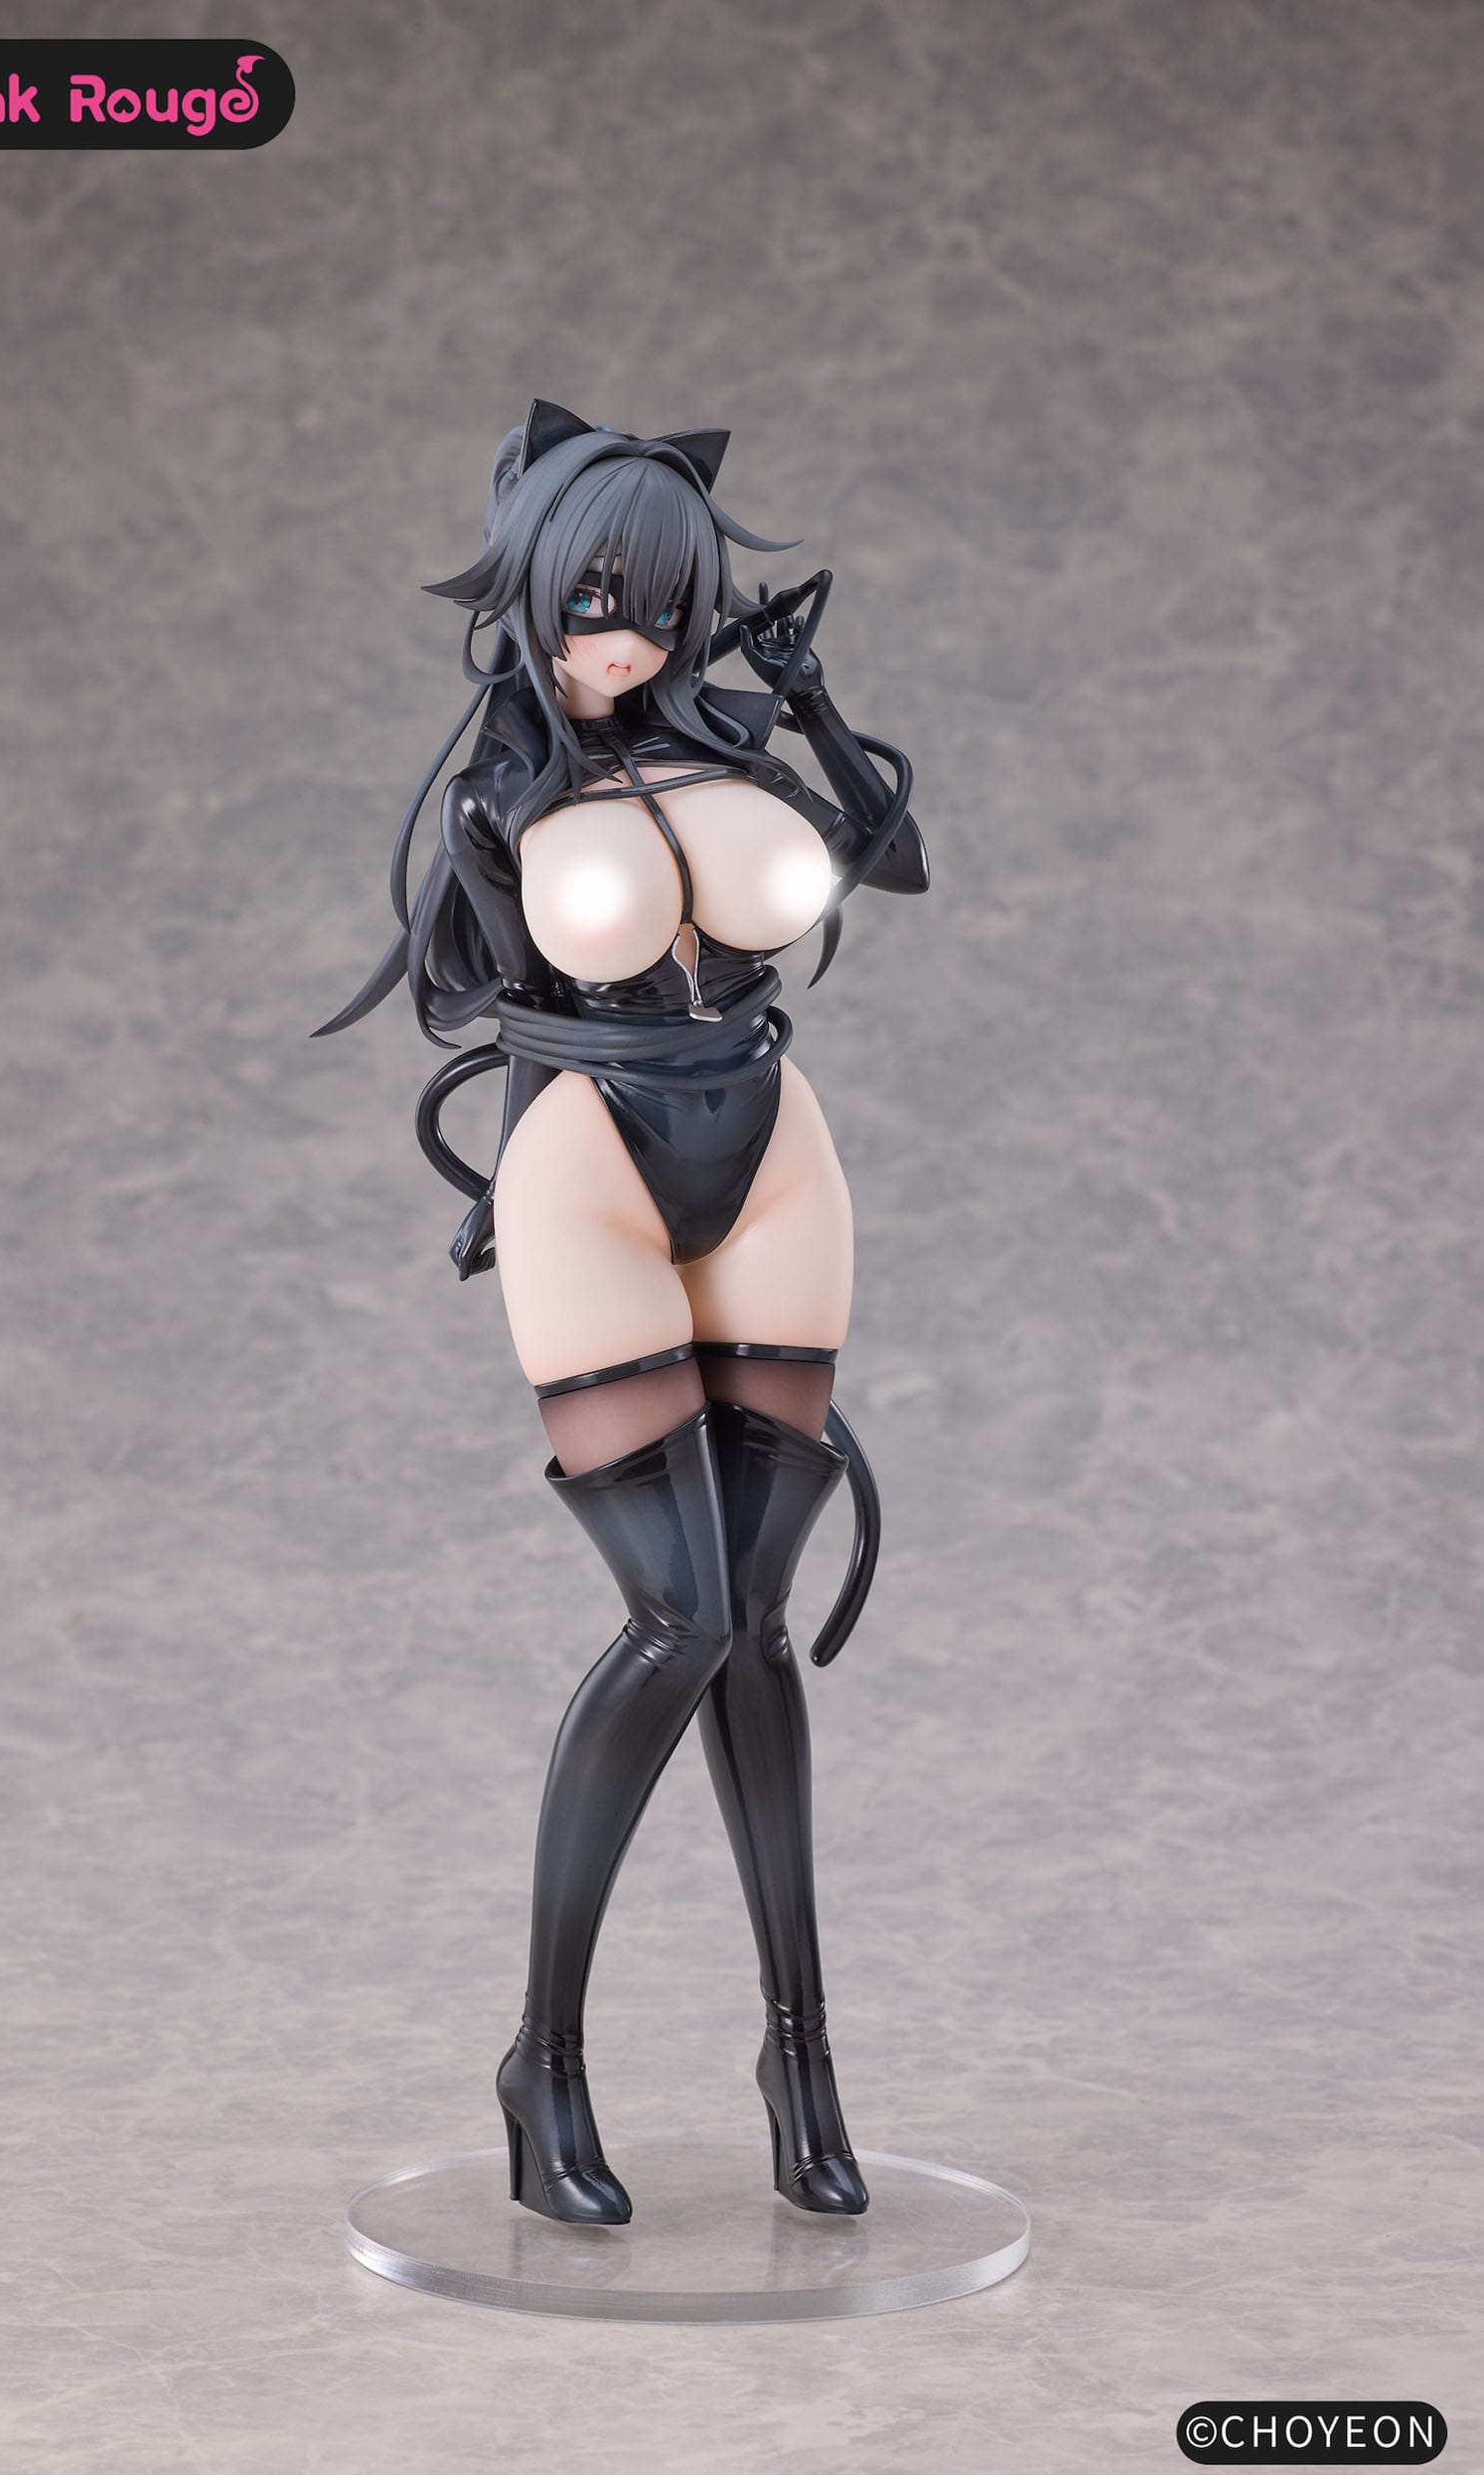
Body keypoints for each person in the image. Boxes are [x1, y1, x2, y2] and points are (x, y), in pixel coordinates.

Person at [316, 399, 930, 2223]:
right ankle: (545, 2058)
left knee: (756, 1627)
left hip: (775, 1152)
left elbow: (892, 860)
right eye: (591, 601)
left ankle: (802, 2058)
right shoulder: (497, 791)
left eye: (660, 603)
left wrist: (811, 703)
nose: (628, 638)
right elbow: (459, 994)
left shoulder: (731, 738)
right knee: (685, 1615)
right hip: (589, 1161)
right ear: (526, 593)